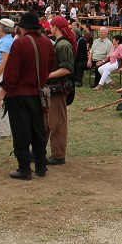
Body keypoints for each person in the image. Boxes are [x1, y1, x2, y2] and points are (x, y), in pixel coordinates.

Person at [0, 12, 54, 180]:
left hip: (19, 95)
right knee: (37, 130)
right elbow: (49, 67)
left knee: (21, 133)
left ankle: (24, 169)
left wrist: (0, 95)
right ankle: (41, 166)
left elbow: (11, 75)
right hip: (38, 93)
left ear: (22, 28)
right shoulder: (48, 43)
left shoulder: (20, 43)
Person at [45, 16, 76, 165]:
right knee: (48, 120)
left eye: (51, 26)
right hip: (53, 87)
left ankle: (58, 155)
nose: (49, 28)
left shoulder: (63, 45)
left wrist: (46, 76)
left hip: (58, 87)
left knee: (57, 122)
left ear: (55, 27)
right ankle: (41, 150)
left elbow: (66, 69)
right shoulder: (60, 43)